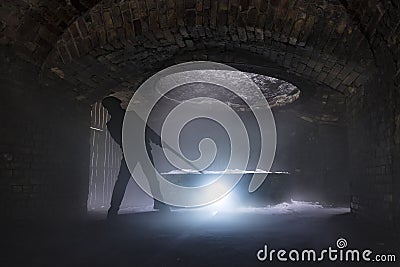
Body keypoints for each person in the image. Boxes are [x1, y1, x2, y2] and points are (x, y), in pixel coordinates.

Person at [102, 96, 170, 219]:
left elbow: (143, 130)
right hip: (139, 152)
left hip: (133, 153)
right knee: (150, 179)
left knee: (125, 181)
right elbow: (145, 130)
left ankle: (113, 209)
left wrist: (157, 141)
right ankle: (160, 204)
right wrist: (156, 141)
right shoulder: (129, 116)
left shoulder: (113, 123)